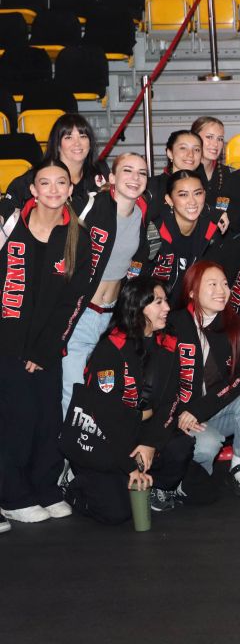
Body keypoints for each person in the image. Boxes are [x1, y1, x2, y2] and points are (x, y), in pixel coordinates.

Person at [60, 276, 210, 524]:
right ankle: (73, 484)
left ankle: (156, 486)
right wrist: (129, 465)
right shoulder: (111, 348)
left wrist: (150, 443)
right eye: (158, 302)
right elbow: (106, 416)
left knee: (187, 458)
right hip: (107, 439)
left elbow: (171, 401)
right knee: (117, 513)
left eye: (166, 300)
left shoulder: (168, 342)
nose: (167, 308)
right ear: (137, 307)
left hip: (141, 433)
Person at [0, 163, 87, 524]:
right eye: (45, 183)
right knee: (18, 418)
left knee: (48, 418)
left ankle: (44, 488)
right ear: (33, 190)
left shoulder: (78, 236)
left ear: (70, 189)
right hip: (6, 342)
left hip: (46, 347)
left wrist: (45, 349)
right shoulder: (9, 225)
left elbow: (74, 301)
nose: (53, 189)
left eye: (61, 182)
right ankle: (11, 495)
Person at [59, 152, 152, 415]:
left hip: (112, 316)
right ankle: (68, 443)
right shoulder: (91, 204)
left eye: (142, 173)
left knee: (105, 395)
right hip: (81, 314)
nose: (135, 178)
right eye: (127, 170)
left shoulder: (142, 211)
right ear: (112, 177)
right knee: (72, 392)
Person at [167, 260, 240, 496]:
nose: (221, 290)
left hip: (214, 409)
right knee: (206, 446)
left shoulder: (237, 326)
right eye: (212, 284)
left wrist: (200, 409)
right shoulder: (173, 323)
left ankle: (239, 464)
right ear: (192, 291)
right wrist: (179, 413)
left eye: (224, 284)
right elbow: (160, 379)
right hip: (179, 416)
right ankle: (184, 477)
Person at [0, 113, 106, 218]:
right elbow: (6, 211)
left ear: (90, 142)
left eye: (83, 136)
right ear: (58, 144)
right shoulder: (32, 179)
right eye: (68, 137)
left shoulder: (101, 173)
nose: (77, 143)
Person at [143, 169, 222, 294]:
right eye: (183, 195)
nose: (192, 201)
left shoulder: (212, 230)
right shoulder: (154, 232)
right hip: (152, 303)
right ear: (169, 200)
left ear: (204, 195)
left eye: (197, 193)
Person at [147, 130, 203, 204]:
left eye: (196, 149)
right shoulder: (151, 187)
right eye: (183, 148)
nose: (191, 154)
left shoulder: (206, 186)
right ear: (170, 153)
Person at [193, 116, 230, 205]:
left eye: (220, 139)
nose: (215, 144)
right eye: (209, 137)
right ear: (194, 138)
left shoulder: (227, 173)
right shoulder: (183, 174)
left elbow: (224, 207)